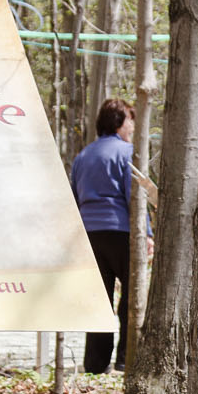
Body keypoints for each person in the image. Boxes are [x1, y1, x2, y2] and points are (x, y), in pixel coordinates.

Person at [69, 98, 145, 375]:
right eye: (129, 120)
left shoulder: (84, 155)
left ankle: (95, 363)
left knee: (99, 299)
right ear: (118, 122)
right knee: (130, 298)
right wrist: (146, 232)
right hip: (121, 231)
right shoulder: (128, 153)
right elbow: (133, 196)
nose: (132, 126)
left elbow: (74, 194)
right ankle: (126, 360)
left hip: (89, 233)